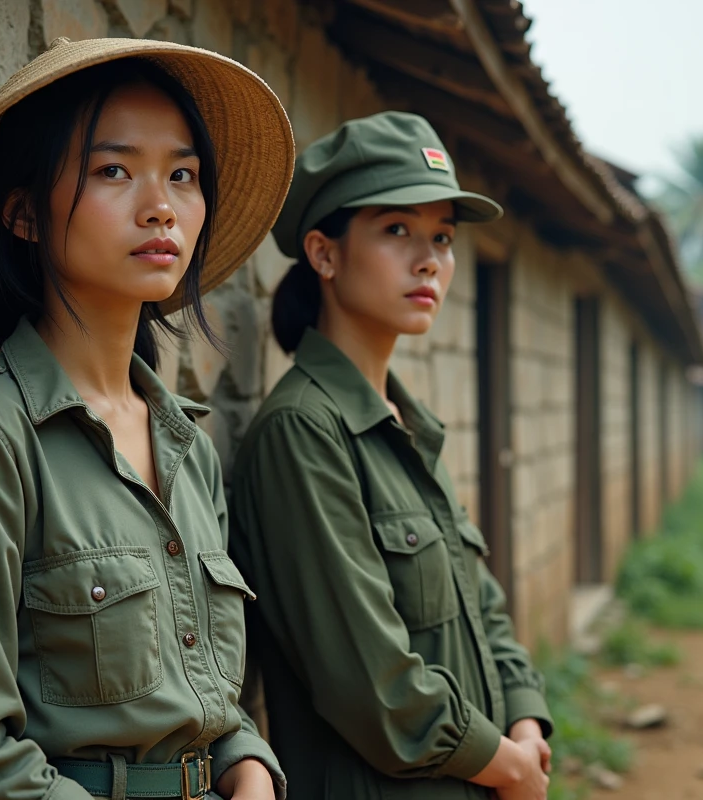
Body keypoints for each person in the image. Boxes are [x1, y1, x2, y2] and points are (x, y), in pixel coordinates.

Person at [0, 37, 294, 800]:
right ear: (24, 215)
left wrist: (249, 770)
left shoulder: (186, 444)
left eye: (183, 175)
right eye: (115, 170)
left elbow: (209, 702)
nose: (161, 206)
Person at [229, 111, 554, 800]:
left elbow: (481, 603)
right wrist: (508, 767)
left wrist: (526, 720)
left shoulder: (405, 424)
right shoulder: (303, 432)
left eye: (442, 236)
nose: (429, 258)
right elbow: (370, 684)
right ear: (323, 253)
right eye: (397, 230)